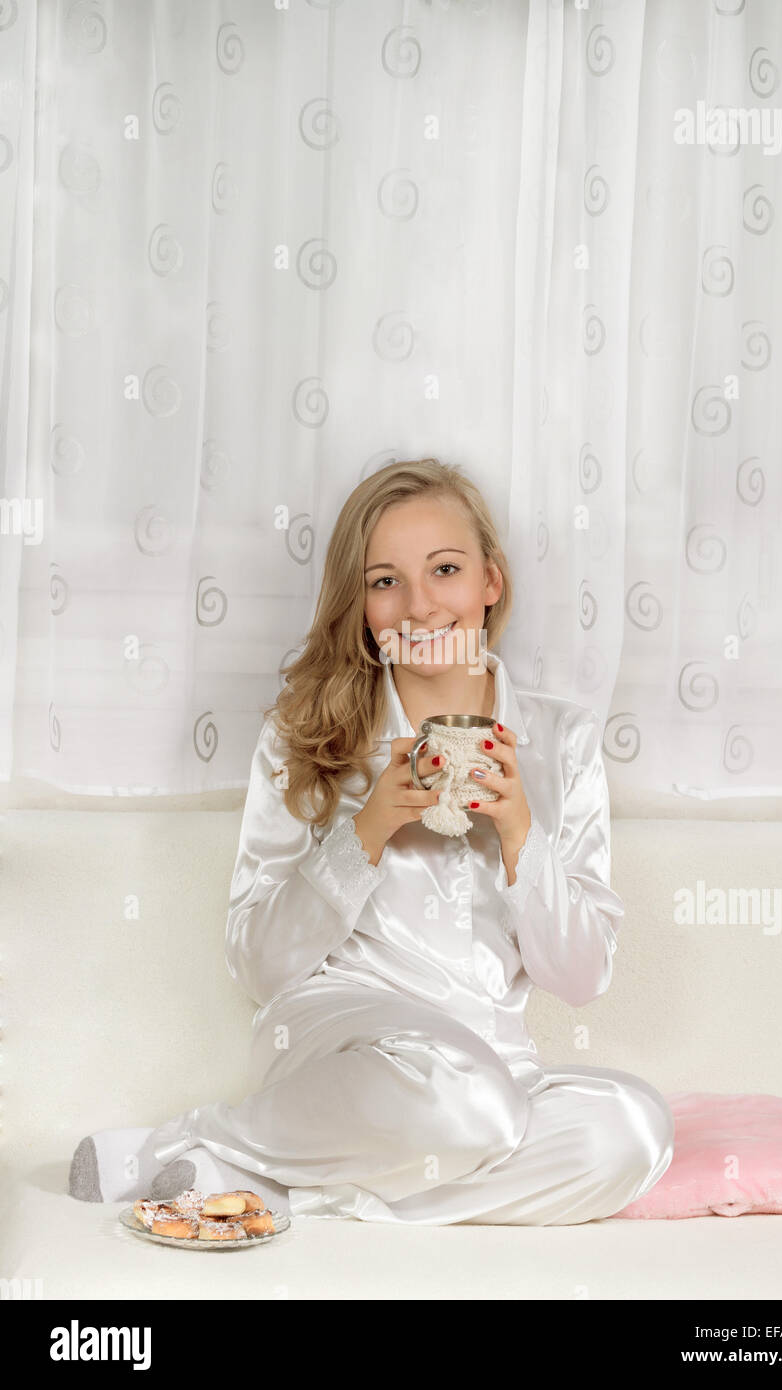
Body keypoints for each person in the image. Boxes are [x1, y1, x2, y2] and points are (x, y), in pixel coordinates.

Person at [69, 457, 674, 1225]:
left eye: (445, 570)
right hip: (342, 1036)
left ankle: (265, 1176)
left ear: (491, 580)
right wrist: (368, 830)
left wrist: (522, 832)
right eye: (385, 581)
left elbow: (583, 975)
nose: (419, 606)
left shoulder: (564, 740)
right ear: (359, 604)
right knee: (469, 1106)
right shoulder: (303, 733)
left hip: (492, 1065)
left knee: (634, 1131)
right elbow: (258, 964)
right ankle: (178, 1143)